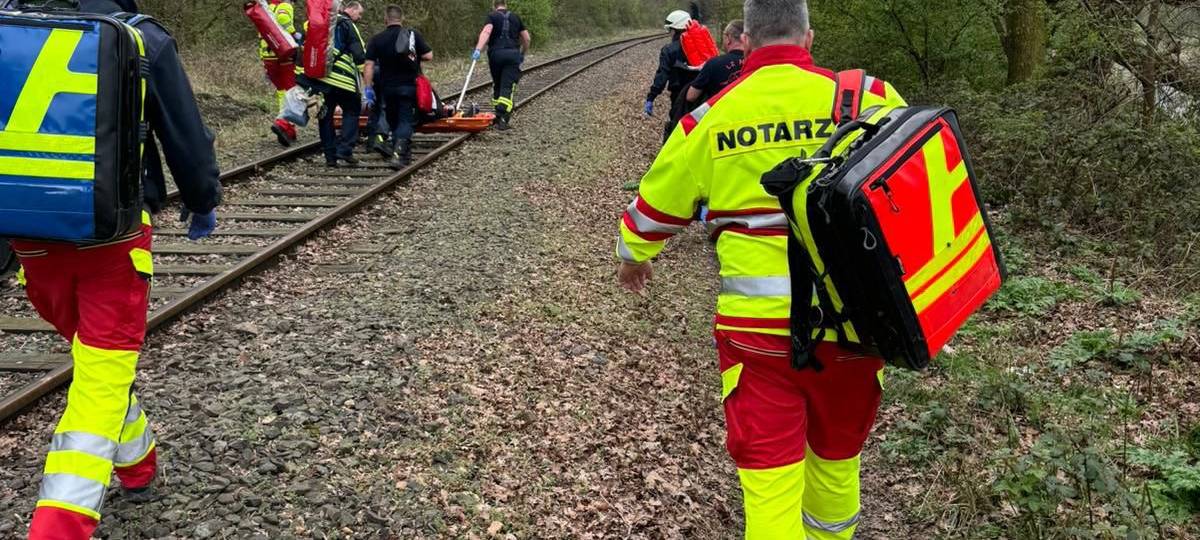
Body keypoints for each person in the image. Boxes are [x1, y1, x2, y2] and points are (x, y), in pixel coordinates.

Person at [614, 0, 907, 538]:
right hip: (857, 325)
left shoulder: (712, 118)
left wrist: (633, 257)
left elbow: (650, 213)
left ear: (745, 42)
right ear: (809, 38)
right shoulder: (873, 100)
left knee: (770, 482)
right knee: (837, 463)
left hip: (757, 336)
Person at [6, 0, 222, 538]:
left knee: (99, 367)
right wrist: (203, 200)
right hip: (114, 242)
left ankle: (140, 466)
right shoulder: (144, 37)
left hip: (31, 242)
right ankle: (57, 527)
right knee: (100, 382)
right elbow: (186, 138)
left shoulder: (14, 26)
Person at [363, 5, 433, 169]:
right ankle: (400, 154)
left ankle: (398, 150)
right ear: (402, 19)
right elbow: (429, 55)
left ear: (385, 19)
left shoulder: (376, 39)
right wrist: (413, 56)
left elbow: (368, 66)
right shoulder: (412, 35)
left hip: (388, 88)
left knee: (393, 120)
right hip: (409, 86)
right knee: (405, 120)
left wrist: (368, 88)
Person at [305, 0, 366, 168]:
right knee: (352, 110)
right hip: (343, 80)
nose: (359, 17)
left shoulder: (318, 24)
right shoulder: (348, 25)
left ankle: (330, 157)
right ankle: (345, 150)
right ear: (350, 9)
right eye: (359, 13)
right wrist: (368, 79)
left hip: (321, 79)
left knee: (325, 116)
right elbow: (359, 54)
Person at [472, 0, 531, 130]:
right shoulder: (515, 17)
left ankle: (498, 115)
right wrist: (522, 53)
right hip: (512, 55)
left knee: (498, 84)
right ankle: (503, 118)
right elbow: (526, 38)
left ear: (494, 5)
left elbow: (486, 32)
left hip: (495, 55)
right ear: (506, 4)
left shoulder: (492, 16)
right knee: (507, 86)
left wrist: (478, 49)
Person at [644, 10, 699, 142]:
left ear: (675, 29)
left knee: (678, 126)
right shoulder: (699, 46)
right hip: (700, 92)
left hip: (679, 95)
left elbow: (662, 76)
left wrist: (651, 97)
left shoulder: (669, 50)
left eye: (670, 30)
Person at [258, 0, 300, 147]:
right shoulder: (284, 5)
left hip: (268, 57)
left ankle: (289, 129)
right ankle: (282, 123)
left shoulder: (266, 8)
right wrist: (294, 33)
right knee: (292, 91)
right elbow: (283, 18)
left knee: (282, 92)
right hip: (283, 55)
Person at [685, 20, 746, 106]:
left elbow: (691, 96)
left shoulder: (714, 63)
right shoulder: (759, 62)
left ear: (729, 39)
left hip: (722, 112)